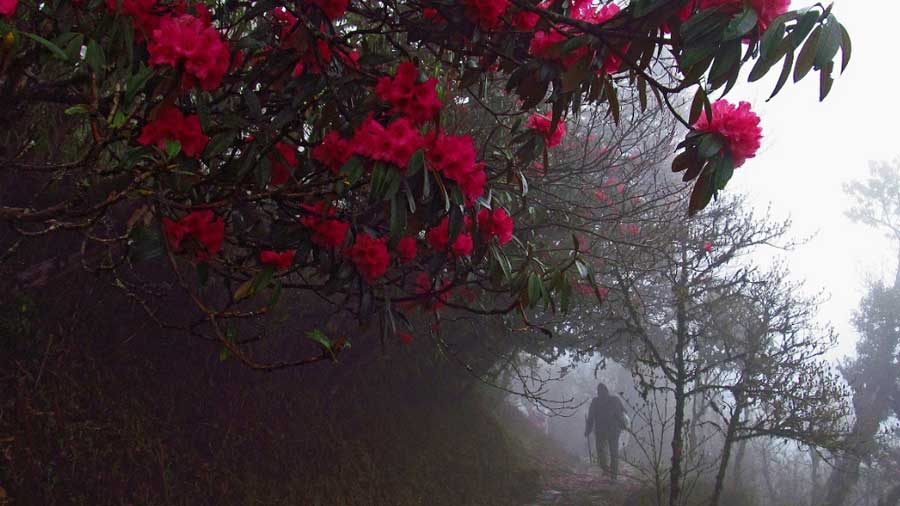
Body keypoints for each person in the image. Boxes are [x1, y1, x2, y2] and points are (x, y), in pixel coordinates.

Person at [584, 382, 627, 479]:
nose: (601, 393)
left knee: (607, 452)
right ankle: (610, 472)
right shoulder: (600, 401)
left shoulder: (611, 400)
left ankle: (611, 473)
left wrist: (588, 430)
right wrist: (588, 430)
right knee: (608, 452)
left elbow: (622, 413)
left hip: (609, 431)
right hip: (606, 431)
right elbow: (623, 413)